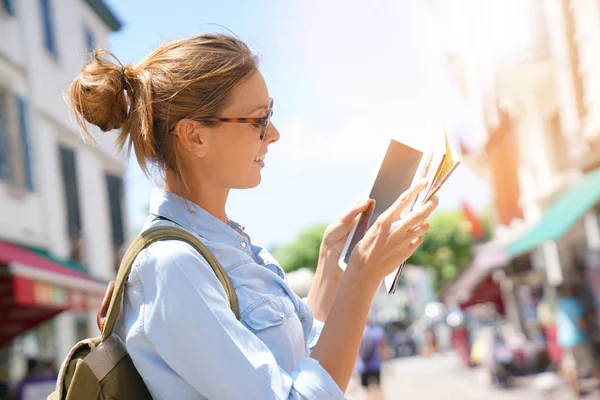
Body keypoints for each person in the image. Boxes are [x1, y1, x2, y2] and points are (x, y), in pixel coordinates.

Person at [68, 33, 438, 399]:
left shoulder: (228, 247)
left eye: (270, 113)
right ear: (194, 136)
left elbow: (302, 363)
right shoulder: (172, 265)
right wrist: (362, 275)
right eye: (259, 120)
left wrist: (331, 264)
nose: (273, 134)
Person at [556, 284, 600, 396]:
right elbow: (582, 322)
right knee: (591, 363)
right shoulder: (574, 303)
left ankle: (576, 390)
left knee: (571, 366)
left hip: (564, 339)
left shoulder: (561, 304)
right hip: (578, 338)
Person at [357, 322, 387, 398]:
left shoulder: (359, 331)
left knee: (366, 390)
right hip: (375, 364)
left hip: (363, 365)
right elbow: (383, 345)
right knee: (378, 387)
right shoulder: (377, 331)